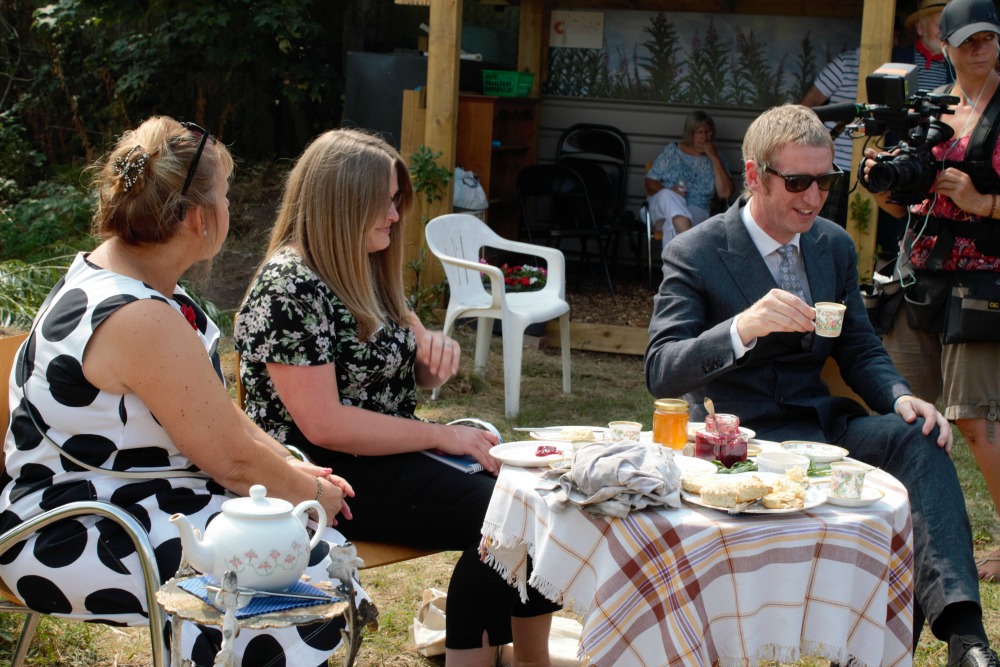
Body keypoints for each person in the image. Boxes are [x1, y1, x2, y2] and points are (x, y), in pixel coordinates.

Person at [0, 116, 364, 666]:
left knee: (292, 551)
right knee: (293, 566)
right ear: (198, 218)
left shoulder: (127, 282)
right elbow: (230, 460)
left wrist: (291, 467)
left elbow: (216, 414)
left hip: (126, 501)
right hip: (78, 530)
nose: (229, 206)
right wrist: (309, 494)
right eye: (225, 194)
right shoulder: (139, 316)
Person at [646, 103, 999, 667]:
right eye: (798, 182)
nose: (814, 197)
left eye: (826, 181)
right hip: (737, 443)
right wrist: (742, 328)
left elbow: (858, 346)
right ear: (755, 175)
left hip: (818, 429)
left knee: (919, 436)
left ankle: (965, 636)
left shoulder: (830, 244)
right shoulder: (696, 250)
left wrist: (899, 396)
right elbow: (661, 369)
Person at [234, 128, 559, 667]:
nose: (394, 214)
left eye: (395, 200)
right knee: (507, 520)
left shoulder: (365, 266)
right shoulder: (289, 285)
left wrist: (431, 362)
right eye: (384, 202)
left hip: (385, 458)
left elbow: (404, 372)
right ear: (343, 203)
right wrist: (442, 435)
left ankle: (529, 660)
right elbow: (324, 424)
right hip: (323, 477)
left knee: (540, 499)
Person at [862, 0, 1000, 582]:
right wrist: (882, 186)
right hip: (917, 275)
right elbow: (902, 205)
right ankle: (888, 538)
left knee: (974, 420)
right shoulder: (926, 106)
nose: (980, 48)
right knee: (902, 411)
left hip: (983, 281)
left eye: (988, 37)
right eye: (968, 41)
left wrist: (982, 202)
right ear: (944, 47)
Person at [644, 110, 734, 243]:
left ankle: (678, 246)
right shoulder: (672, 151)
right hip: (661, 210)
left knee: (672, 226)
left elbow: (725, 193)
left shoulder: (718, 158)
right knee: (667, 195)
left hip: (696, 209)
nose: (704, 137)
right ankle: (686, 239)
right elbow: (649, 182)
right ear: (689, 133)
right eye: (699, 132)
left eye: (708, 131)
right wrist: (670, 191)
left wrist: (714, 157)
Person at [799, 47, 860, 227]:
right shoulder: (846, 63)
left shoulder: (897, 65)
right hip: (836, 166)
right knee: (825, 230)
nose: (896, 41)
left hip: (871, 168)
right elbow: (804, 110)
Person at [894, 0, 955, 92]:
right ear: (920, 28)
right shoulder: (899, 58)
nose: (944, 32)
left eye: (948, 27)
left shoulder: (954, 64)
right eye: (940, 26)